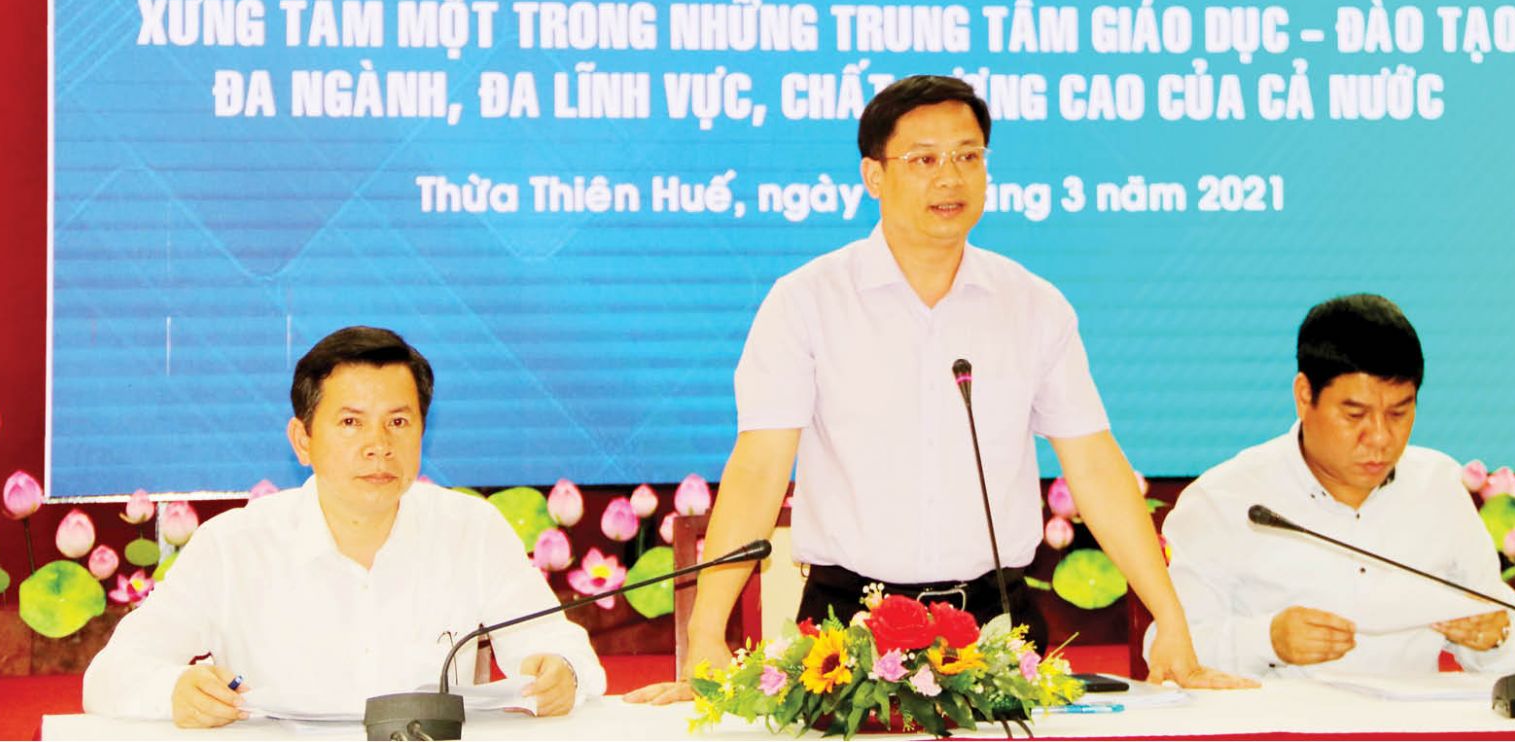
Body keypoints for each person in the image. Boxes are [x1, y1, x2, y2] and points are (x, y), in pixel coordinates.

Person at [630, 75, 1249, 705]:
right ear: (874, 176)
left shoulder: (1033, 306)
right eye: (924, 160)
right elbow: (759, 470)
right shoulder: (807, 303)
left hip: (996, 627)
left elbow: (1094, 466)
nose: (950, 177)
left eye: (968, 156)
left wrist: (1170, 620)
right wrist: (707, 634)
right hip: (847, 630)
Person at [84, 326, 606, 727]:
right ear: (303, 440)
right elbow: (110, 675)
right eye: (351, 422)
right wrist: (176, 691)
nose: (378, 445)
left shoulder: (471, 530)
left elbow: (565, 652)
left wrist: (562, 672)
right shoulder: (232, 546)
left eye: (398, 422)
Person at [1149, 294, 1515, 677]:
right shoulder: (1224, 499)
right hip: (1282, 715)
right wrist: (1266, 641)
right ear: (1305, 396)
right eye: (1355, 415)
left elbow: (1509, 635)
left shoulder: (1437, 485)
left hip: (1413, 714)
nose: (1380, 437)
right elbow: (1166, 649)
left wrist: (1495, 638)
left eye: (1398, 413)